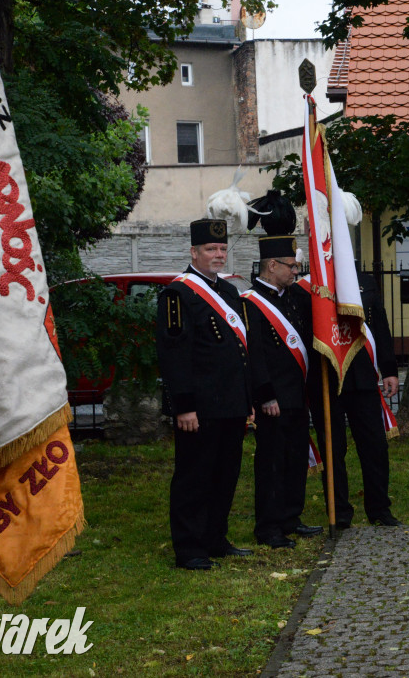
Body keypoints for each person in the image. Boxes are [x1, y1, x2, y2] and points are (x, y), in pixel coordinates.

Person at [156, 218, 252, 570]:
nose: (218, 255)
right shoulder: (177, 294)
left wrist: (247, 401)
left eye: (223, 249)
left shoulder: (229, 292)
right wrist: (183, 407)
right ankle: (189, 547)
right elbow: (173, 354)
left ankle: (215, 537)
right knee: (194, 476)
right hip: (198, 407)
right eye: (211, 249)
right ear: (193, 252)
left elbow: (241, 352)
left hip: (230, 404)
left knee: (225, 474)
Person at [310, 269, 402, 528]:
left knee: (375, 447)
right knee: (333, 448)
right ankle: (339, 511)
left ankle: (379, 509)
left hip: (363, 377)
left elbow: (379, 327)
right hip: (327, 380)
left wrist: (390, 369)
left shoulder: (364, 282)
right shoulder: (310, 285)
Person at [242, 235, 317, 548]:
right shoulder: (251, 302)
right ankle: (269, 527)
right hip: (273, 398)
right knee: (272, 462)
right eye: (291, 265)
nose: (295, 271)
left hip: (297, 393)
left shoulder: (293, 298)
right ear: (271, 265)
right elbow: (254, 354)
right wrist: (265, 395)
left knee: (296, 458)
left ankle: (291, 516)